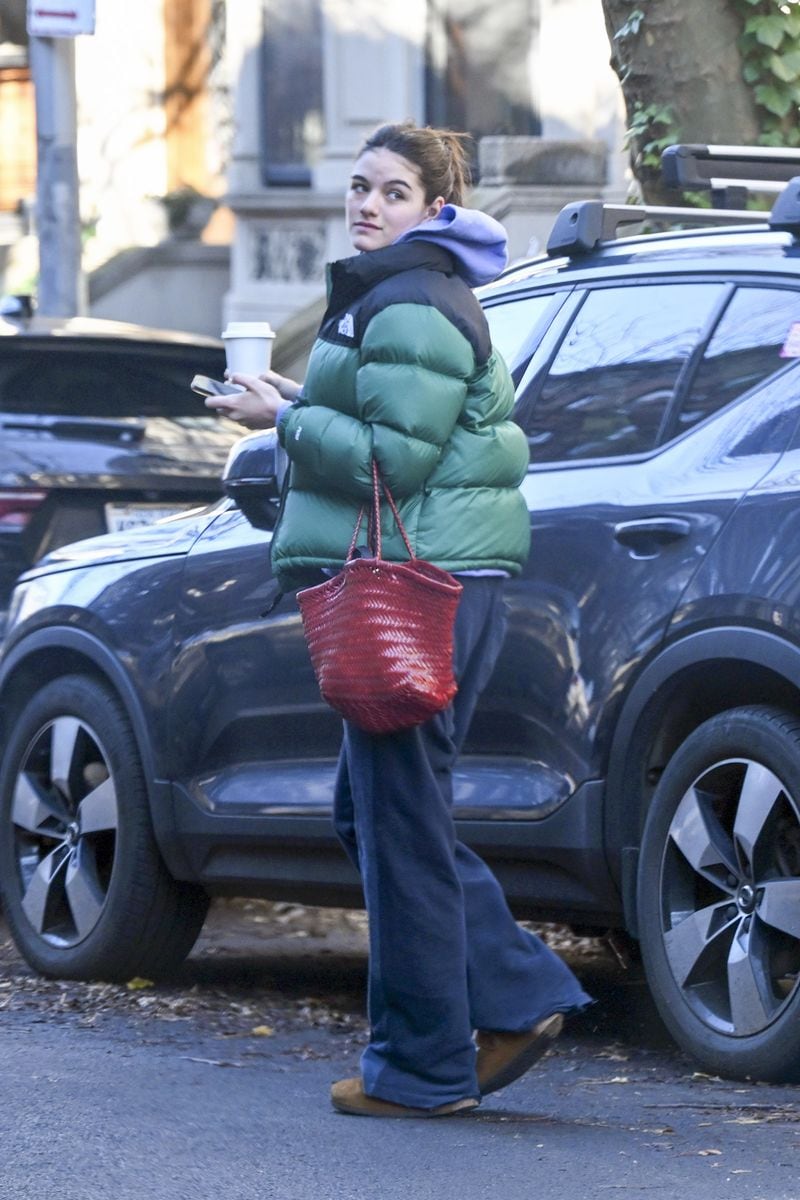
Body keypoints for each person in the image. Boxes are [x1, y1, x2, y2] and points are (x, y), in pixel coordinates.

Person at [206, 121, 591, 1118]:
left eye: (391, 192)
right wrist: (299, 395)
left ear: (433, 208)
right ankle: (496, 1003)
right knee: (372, 815)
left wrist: (284, 423)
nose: (367, 205)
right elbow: (398, 427)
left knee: (398, 825)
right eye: (360, 187)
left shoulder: (410, 299)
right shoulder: (407, 294)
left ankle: (434, 1055)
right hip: (442, 587)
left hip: (422, 593)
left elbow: (392, 463)